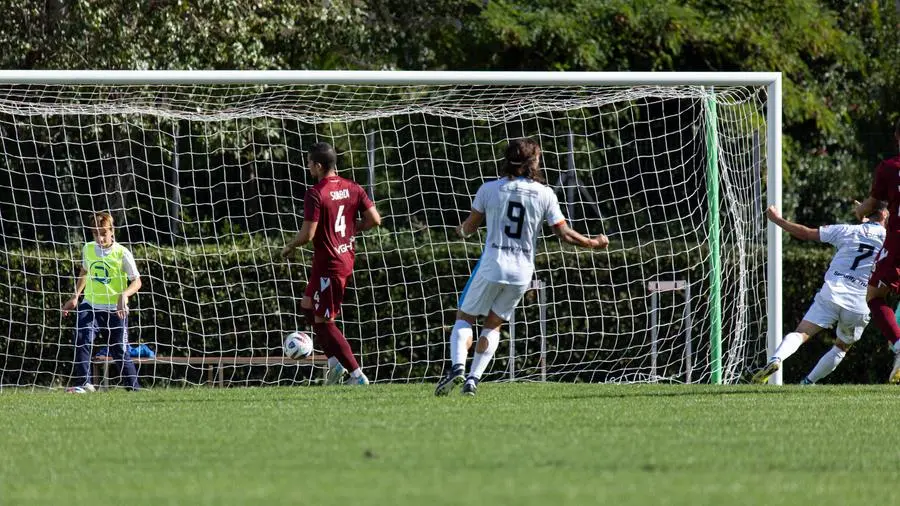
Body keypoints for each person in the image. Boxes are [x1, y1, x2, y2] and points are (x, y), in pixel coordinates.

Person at [434, 137, 609, 397]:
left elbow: (469, 228)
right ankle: (473, 379)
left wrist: (458, 230)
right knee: (493, 325)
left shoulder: (489, 189)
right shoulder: (545, 193)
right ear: (533, 162)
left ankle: (458, 366)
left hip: (492, 264)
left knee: (465, 317)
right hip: (521, 272)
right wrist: (592, 242)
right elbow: (565, 234)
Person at [752, 203, 887, 384]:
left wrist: (778, 220)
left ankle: (776, 359)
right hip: (860, 302)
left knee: (801, 333)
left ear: (866, 214)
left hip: (832, 292)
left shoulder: (846, 230)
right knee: (841, 347)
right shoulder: (889, 241)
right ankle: (807, 382)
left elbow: (806, 233)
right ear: (886, 215)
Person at [282, 142, 381, 386]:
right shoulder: (353, 187)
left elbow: (307, 235)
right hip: (338, 258)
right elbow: (375, 219)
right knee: (307, 306)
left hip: (330, 264)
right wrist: (351, 227)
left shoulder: (316, 193)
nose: (307, 167)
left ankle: (357, 376)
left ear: (317, 165)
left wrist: (289, 246)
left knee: (324, 321)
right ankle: (335, 363)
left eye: (308, 163)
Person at [61, 212, 142, 393]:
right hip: (90, 306)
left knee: (119, 352)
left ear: (112, 231)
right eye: (96, 233)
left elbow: (137, 281)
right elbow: (84, 272)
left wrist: (124, 295)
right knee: (81, 339)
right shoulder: (88, 249)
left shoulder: (122, 253)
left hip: (115, 311)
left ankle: (134, 389)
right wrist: (75, 296)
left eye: (103, 233)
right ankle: (84, 385)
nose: (100, 238)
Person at [855, 118, 900, 382]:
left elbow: (872, 203)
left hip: (897, 240)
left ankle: (899, 346)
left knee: (873, 295)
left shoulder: (889, 168)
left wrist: (860, 211)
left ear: (896, 137)